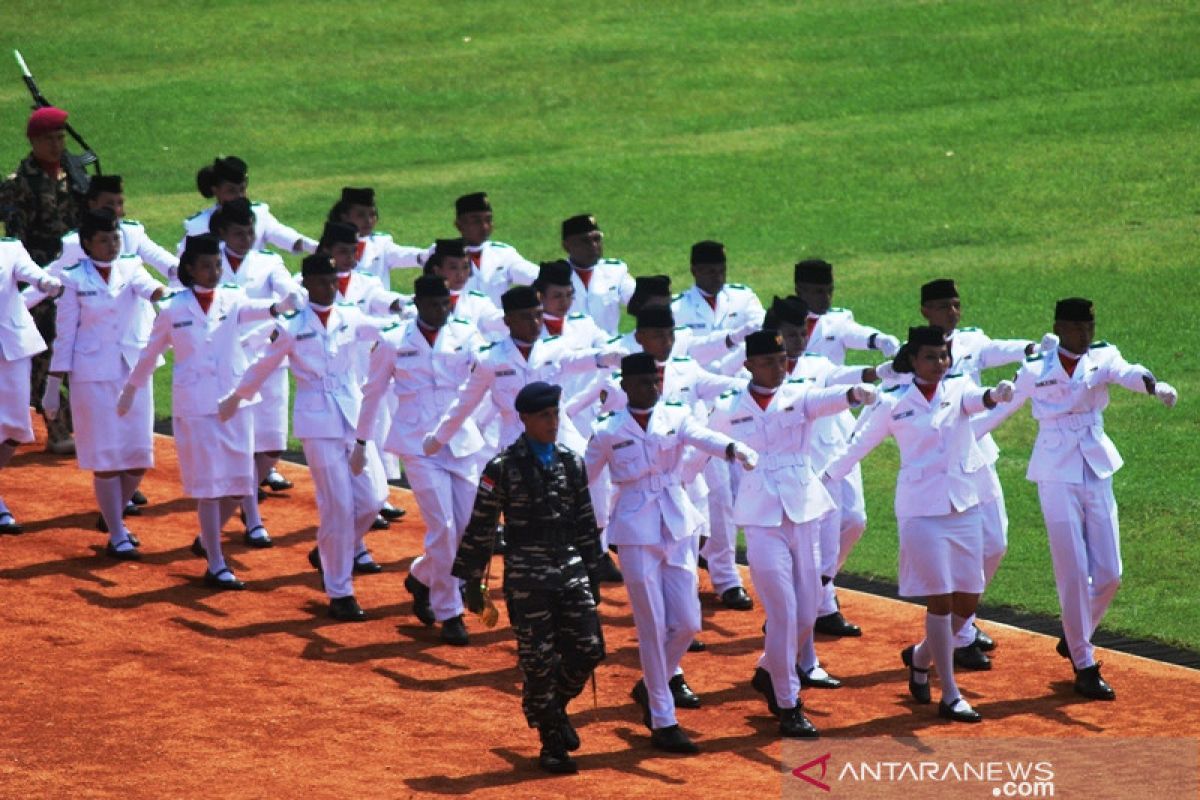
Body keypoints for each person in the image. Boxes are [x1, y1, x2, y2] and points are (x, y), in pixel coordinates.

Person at [973, 298, 1178, 700]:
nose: (1085, 335)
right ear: (1060, 328)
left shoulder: (1102, 356)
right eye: (1078, 329)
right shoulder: (1036, 369)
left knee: (1110, 573)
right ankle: (1084, 662)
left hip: (1096, 463)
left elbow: (1127, 372)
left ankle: (1075, 634)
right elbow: (1001, 410)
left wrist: (1154, 385)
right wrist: (959, 442)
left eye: (1090, 327)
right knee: (1072, 569)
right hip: (1055, 470)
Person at [822, 326, 1016, 723]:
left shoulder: (958, 387)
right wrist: (823, 481)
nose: (940, 363)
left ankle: (920, 656)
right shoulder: (892, 402)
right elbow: (857, 446)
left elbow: (979, 400)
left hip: (963, 505)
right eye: (930, 357)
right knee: (941, 599)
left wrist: (996, 395)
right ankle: (951, 693)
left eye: (943, 355)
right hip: (920, 512)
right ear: (912, 360)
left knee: (969, 597)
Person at [585, 353, 757, 754]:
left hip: (677, 522)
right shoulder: (607, 430)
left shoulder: (674, 415)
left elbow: (703, 437)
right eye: (644, 382)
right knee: (651, 624)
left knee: (688, 622)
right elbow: (584, 477)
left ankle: (650, 684)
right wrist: (580, 522)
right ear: (626, 386)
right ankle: (663, 718)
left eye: (656, 381)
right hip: (634, 528)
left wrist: (735, 449)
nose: (652, 388)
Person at [708, 330, 877, 737]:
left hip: (804, 512)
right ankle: (789, 702)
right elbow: (705, 442)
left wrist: (855, 394)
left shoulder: (798, 395)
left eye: (782, 359)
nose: (779, 367)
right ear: (748, 364)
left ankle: (769, 669)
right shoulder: (729, 405)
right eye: (768, 361)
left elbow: (829, 400)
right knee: (783, 611)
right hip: (761, 518)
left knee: (806, 610)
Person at [118, 234, 304, 589]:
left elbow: (256, 310)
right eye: (206, 265)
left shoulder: (232, 298)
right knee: (209, 485)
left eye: (217, 265)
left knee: (238, 483)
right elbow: (150, 351)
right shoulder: (173, 307)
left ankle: (208, 539)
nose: (214, 271)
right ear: (189, 269)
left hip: (234, 402)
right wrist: (131, 388)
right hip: (196, 406)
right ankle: (216, 562)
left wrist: (281, 306)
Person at [884, 278, 1053, 668]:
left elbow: (1000, 349)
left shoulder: (972, 341)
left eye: (957, 305)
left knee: (994, 543)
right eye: (944, 306)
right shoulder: (909, 356)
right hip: (940, 470)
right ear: (925, 309)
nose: (952, 312)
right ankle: (958, 636)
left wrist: (1033, 348)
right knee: (948, 558)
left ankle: (960, 625)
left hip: (977, 457)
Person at [220, 254, 391, 620]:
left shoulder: (350, 316)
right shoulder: (292, 326)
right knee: (338, 506)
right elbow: (263, 364)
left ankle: (331, 550)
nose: (331, 287)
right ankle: (340, 590)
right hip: (318, 422)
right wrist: (236, 396)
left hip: (353, 414)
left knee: (375, 498)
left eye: (334, 280)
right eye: (324, 281)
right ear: (309, 284)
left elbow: (385, 331)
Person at [452, 382, 606, 774]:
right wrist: (471, 581)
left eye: (556, 414)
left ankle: (546, 705)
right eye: (544, 416)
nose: (552, 422)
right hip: (527, 576)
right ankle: (552, 741)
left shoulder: (571, 462)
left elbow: (586, 520)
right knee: (537, 660)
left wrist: (594, 569)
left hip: (570, 569)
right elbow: (481, 526)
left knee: (589, 649)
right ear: (524, 419)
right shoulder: (502, 468)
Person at [355, 275, 488, 644]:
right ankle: (449, 612)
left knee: (466, 531)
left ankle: (421, 576)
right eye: (433, 305)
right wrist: (361, 442)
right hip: (416, 444)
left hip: (459, 441)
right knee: (443, 527)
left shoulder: (466, 334)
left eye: (446, 304)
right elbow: (373, 391)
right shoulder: (395, 340)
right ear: (418, 303)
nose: (441, 311)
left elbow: (487, 369)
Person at [758, 295, 880, 677]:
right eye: (790, 334)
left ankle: (794, 644)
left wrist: (888, 369)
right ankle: (803, 660)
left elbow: (850, 376)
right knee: (801, 576)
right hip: (783, 488)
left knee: (822, 565)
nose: (798, 340)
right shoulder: (760, 377)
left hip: (823, 476)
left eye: (801, 333)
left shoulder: (818, 365)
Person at [47, 209, 166, 558]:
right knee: (106, 456)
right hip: (91, 375)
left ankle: (112, 513)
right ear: (87, 245)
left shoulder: (130, 266)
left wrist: (168, 296)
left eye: (115, 238)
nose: (112, 245)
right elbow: (65, 333)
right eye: (103, 240)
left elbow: (149, 288)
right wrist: (54, 384)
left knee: (139, 456)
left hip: (132, 371)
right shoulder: (73, 278)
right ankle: (116, 532)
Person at [792, 258, 901, 635]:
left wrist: (882, 341)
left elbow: (858, 334)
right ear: (800, 290)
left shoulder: (837, 320)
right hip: (799, 431)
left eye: (829, 290)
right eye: (818, 291)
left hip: (838, 426)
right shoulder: (781, 327)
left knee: (854, 518)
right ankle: (822, 603)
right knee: (816, 522)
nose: (825, 297)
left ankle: (816, 586)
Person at [210, 198, 308, 537]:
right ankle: (252, 517)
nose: (246, 238)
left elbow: (288, 288)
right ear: (223, 233)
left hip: (267, 365)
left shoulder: (268, 261)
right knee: (241, 446)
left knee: (271, 445)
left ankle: (245, 506)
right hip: (226, 366)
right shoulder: (209, 263)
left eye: (250, 231)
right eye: (238, 233)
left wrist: (294, 296)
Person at [424, 284, 611, 459]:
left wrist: (611, 357)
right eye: (526, 317)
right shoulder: (491, 359)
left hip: (559, 438)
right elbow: (465, 403)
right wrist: (439, 438)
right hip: (516, 444)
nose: (535, 323)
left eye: (539, 315)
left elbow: (581, 359)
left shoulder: (554, 348)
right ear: (508, 321)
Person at [2, 106, 86, 455]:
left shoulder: (74, 174)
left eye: (60, 136)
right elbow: (16, 239)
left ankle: (73, 421)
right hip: (39, 281)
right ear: (34, 141)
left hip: (76, 277)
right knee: (42, 358)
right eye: (49, 138)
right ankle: (57, 425)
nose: (57, 143)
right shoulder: (18, 185)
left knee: (77, 351)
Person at [320, 220, 409, 524]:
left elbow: (385, 301)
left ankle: (374, 499)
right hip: (331, 379)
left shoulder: (366, 282)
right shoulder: (309, 282)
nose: (351, 258)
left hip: (366, 369)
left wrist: (405, 304)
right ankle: (359, 505)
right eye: (343, 251)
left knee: (373, 431)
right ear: (327, 250)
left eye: (353, 251)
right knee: (342, 446)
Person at [0, 238, 62, 533]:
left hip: (13, 348)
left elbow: (30, 272)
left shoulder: (9, 249)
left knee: (15, 427)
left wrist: (47, 282)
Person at [179, 156, 316, 255]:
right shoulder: (197, 226)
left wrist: (313, 246)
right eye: (231, 191)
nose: (239, 196)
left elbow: (285, 236)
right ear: (216, 190)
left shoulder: (259, 214)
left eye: (242, 189)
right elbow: (183, 270)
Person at [452, 192, 539, 306]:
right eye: (476, 221)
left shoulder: (503, 254)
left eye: (488, 220)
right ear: (459, 225)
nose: (484, 227)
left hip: (496, 322)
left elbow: (535, 276)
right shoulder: (442, 254)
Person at [328, 186, 424, 285]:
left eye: (372, 215)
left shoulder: (381, 244)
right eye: (360, 215)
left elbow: (405, 254)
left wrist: (425, 255)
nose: (368, 221)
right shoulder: (329, 246)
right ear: (344, 217)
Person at [560, 214, 634, 336]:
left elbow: (639, 303)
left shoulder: (615, 271)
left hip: (609, 349)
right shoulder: (553, 276)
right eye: (585, 241)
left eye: (597, 239)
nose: (594, 246)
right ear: (566, 246)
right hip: (571, 350)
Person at [424, 237, 506, 339]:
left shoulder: (478, 301)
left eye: (465, 267)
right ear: (437, 270)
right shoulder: (423, 301)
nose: (461, 274)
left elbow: (497, 319)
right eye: (453, 267)